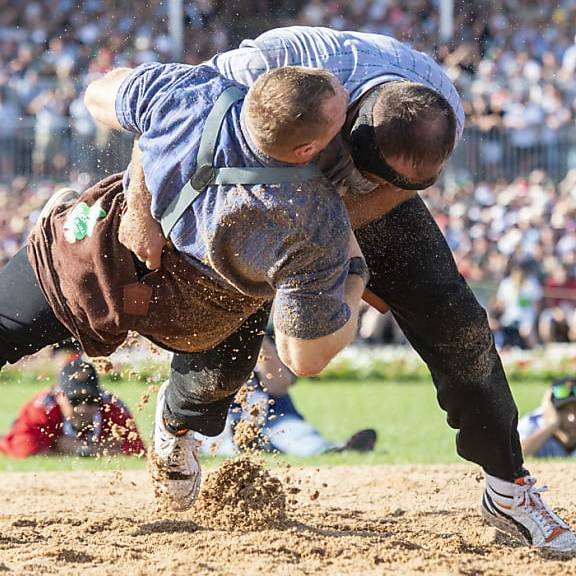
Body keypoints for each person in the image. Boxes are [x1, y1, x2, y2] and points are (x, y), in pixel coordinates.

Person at [120, 26, 576, 552]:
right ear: (348, 121)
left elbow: (390, 189)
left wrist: (338, 228)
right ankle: (180, 425)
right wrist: (139, 203)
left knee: (459, 326)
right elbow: (166, 102)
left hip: (363, 207)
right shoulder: (286, 59)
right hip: (263, 190)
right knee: (226, 329)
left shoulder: (440, 105)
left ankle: (509, 489)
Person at [0, 64, 369, 512]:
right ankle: (178, 425)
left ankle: (180, 425)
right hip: (198, 312)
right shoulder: (317, 217)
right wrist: (355, 273)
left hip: (94, 258)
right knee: (245, 310)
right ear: (309, 147)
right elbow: (305, 357)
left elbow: (97, 95)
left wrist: (142, 182)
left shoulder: (192, 90)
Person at [202, 335, 377, 456]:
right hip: (228, 419)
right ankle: (243, 442)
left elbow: (280, 385)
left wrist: (257, 338)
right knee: (213, 435)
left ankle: (339, 450)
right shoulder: (208, 347)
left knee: (295, 434)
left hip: (274, 416)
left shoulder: (262, 342)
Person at [0, 359, 145, 458]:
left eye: (91, 400)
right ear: (59, 395)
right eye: (74, 400)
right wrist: (101, 449)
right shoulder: (42, 408)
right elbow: (22, 451)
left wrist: (81, 449)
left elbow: (137, 452)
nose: (83, 408)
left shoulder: (112, 407)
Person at [518, 377, 576, 458]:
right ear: (550, 409)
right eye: (564, 410)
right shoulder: (530, 425)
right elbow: (512, 457)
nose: (572, 418)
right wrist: (551, 424)